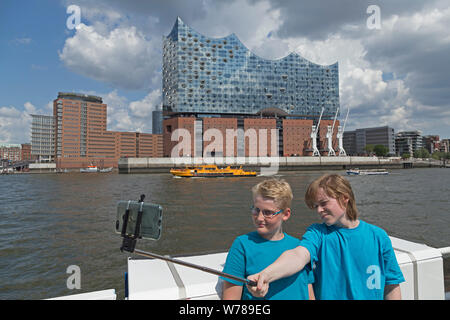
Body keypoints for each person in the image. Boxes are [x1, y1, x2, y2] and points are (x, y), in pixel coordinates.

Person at [247, 174, 405, 300]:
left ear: (344, 198)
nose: (319, 210)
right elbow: (297, 256)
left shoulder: (379, 236)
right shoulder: (317, 233)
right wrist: (265, 276)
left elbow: (391, 285)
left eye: (323, 203)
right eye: (316, 206)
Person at [221, 178, 315, 300]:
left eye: (268, 212)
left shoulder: (300, 248)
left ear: (286, 214)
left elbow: (309, 294)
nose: (260, 218)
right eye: (256, 210)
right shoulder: (242, 245)